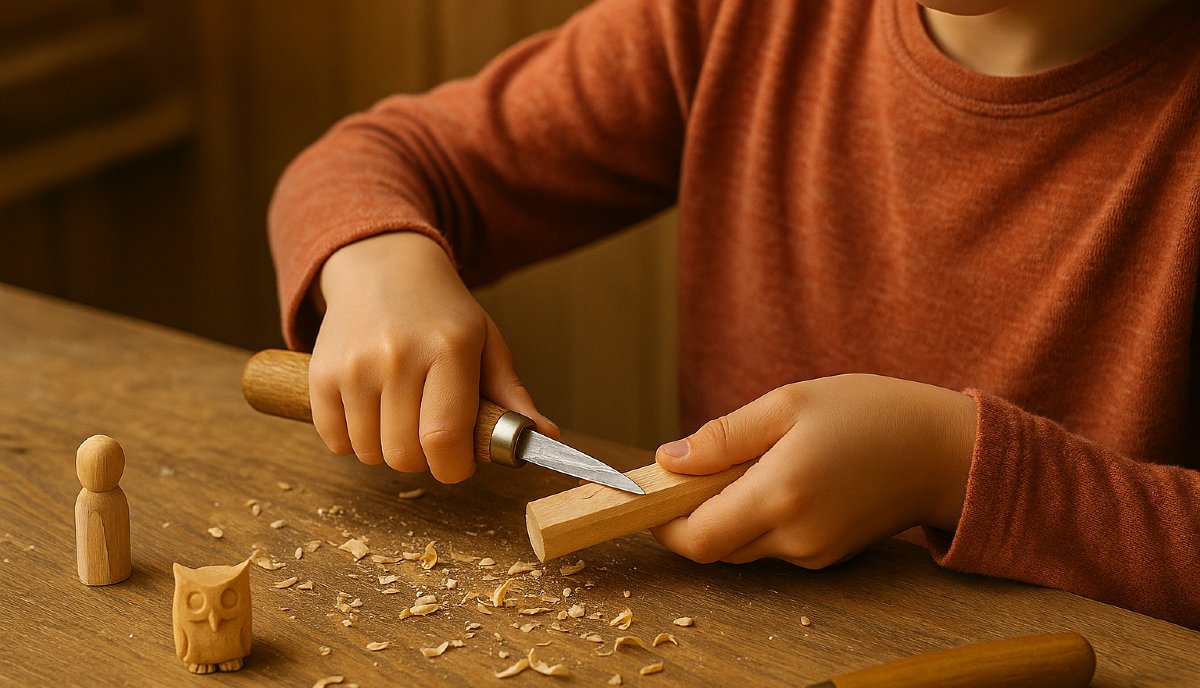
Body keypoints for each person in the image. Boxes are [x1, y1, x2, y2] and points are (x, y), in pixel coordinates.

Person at [268, 0, 1200, 628]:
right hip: (722, 659)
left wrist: (958, 467)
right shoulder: (742, 20)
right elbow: (371, 160)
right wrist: (376, 260)